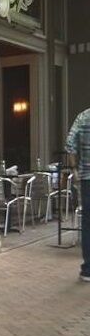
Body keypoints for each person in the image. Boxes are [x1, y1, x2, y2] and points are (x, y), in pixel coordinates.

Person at [65, 107, 90, 282]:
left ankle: (88, 269)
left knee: (88, 222)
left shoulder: (83, 117)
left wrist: (74, 169)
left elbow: (69, 144)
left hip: (87, 178)